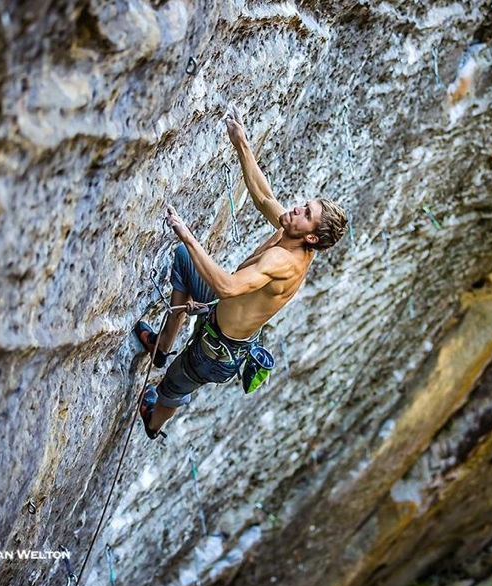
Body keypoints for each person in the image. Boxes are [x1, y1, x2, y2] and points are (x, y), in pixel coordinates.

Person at [134, 106, 348, 439]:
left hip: (216, 350)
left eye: (306, 212)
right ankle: (162, 345)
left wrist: (187, 234)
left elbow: (228, 287)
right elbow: (264, 196)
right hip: (218, 315)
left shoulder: (283, 261)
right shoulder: (291, 233)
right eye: (306, 204)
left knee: (173, 387)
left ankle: (154, 422)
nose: (297, 208)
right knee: (183, 260)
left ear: (311, 237)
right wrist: (242, 144)